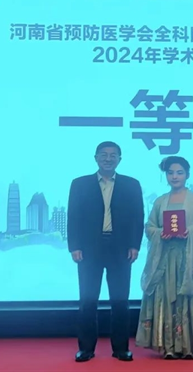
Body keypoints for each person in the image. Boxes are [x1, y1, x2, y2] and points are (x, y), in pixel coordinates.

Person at [67, 141, 144, 362]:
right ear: (96, 158)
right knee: (88, 300)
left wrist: (134, 245)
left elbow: (138, 217)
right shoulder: (80, 184)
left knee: (120, 301)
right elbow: (73, 216)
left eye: (113, 155)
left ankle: (120, 348)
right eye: (103, 154)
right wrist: (74, 246)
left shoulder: (131, 184)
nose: (108, 159)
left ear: (119, 159)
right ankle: (86, 349)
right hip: (89, 249)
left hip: (120, 249)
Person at [136, 156, 193, 359]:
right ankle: (168, 347)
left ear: (187, 175)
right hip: (165, 259)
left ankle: (189, 347)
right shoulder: (160, 201)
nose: (174, 176)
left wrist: (190, 231)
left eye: (179, 172)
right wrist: (160, 233)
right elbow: (149, 227)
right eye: (170, 172)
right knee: (166, 298)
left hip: (189, 258)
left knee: (188, 296)